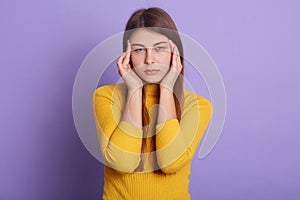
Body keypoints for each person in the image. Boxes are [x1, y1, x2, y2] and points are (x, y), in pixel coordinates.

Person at [93, 7, 212, 200]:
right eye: (139, 50)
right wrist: (134, 90)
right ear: (127, 55)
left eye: (159, 48)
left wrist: (166, 89)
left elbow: (170, 163)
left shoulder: (197, 105)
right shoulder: (105, 97)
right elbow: (123, 162)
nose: (150, 59)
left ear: (175, 53)